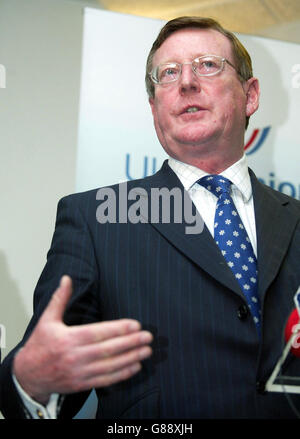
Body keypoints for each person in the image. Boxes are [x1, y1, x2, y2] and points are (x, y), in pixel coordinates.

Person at [1, 16, 300, 419]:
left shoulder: (294, 219)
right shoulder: (95, 220)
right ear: (154, 106)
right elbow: (48, 364)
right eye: (169, 73)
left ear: (250, 95)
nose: (187, 82)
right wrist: (29, 378)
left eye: (208, 65)